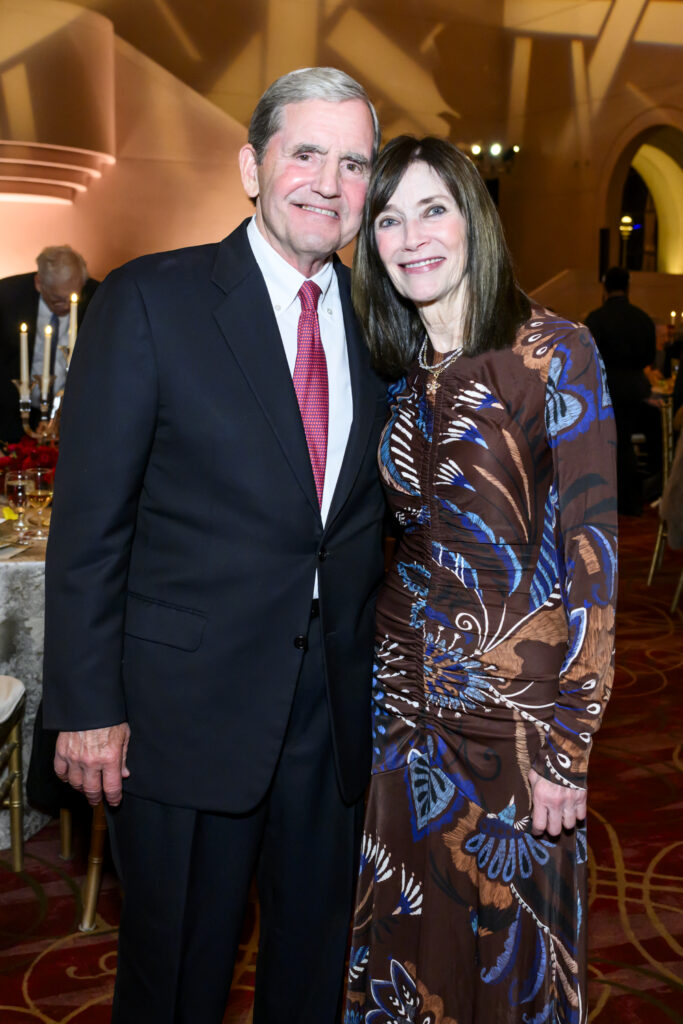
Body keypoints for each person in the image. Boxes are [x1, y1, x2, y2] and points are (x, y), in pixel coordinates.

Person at [42, 67, 387, 1024]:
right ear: (252, 165)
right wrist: (85, 705)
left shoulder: (380, 324)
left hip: (331, 715)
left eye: (353, 162)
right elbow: (88, 527)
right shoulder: (152, 301)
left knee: (313, 970)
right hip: (180, 718)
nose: (327, 181)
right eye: (304, 153)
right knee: (177, 976)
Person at [343, 136, 617, 1023]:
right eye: (388, 218)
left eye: (433, 209)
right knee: (410, 942)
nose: (411, 236)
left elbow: (593, 559)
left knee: (507, 959)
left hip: (516, 724)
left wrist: (568, 739)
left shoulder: (552, 351)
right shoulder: (397, 373)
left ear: (474, 221)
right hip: (403, 709)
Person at [0, 246, 98, 442]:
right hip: (14, 412)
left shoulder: (98, 298)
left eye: (72, 299)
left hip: (74, 417)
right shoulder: (7, 297)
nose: (66, 307)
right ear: (39, 283)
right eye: (56, 300)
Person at [585, 266, 656, 514]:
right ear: (628, 287)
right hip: (637, 390)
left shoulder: (596, 319)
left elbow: (587, 357)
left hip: (605, 389)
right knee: (627, 443)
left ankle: (609, 499)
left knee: (612, 444)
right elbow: (649, 355)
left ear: (605, 289)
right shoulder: (643, 319)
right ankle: (633, 498)